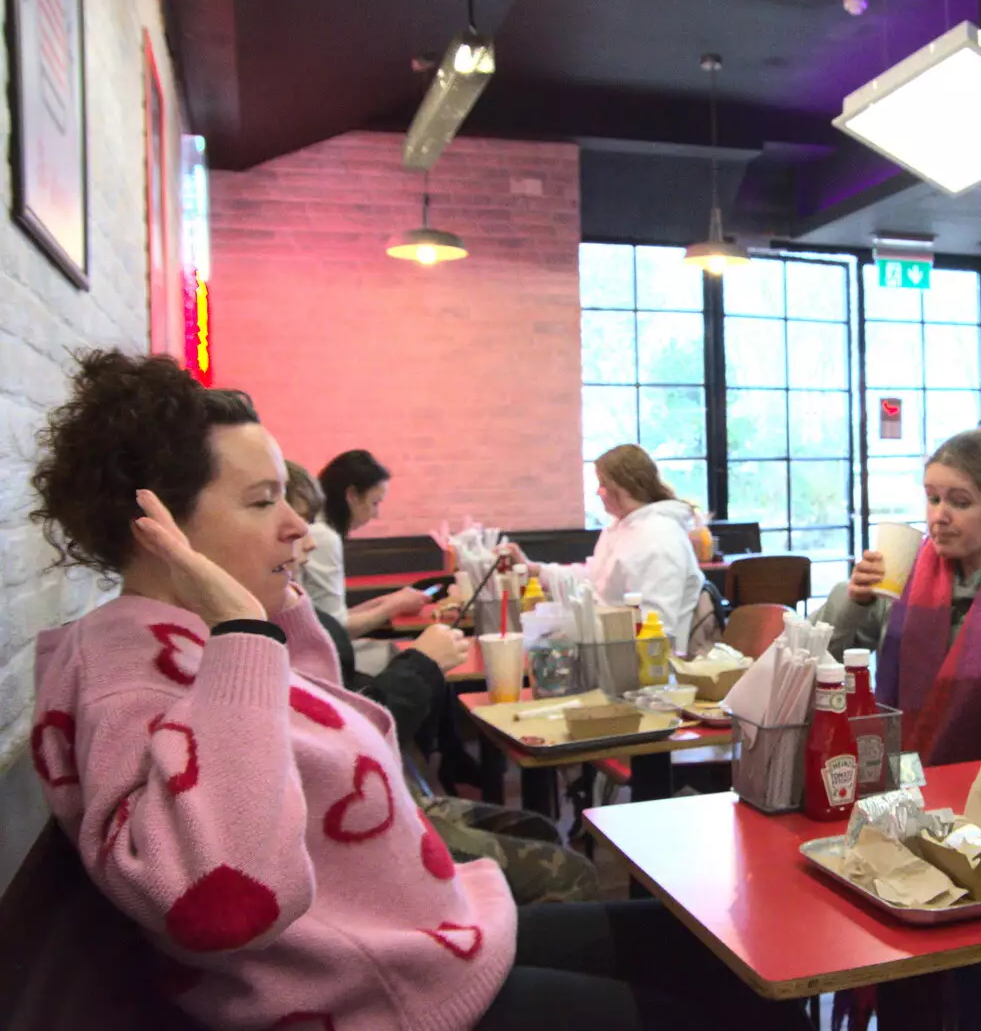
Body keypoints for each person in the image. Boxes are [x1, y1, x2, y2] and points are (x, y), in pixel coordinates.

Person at [27, 350, 811, 1031]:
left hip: (420, 945)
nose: (299, 526)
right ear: (155, 526)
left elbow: (317, 718)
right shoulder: (125, 670)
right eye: (263, 502)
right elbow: (225, 901)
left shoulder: (188, 635)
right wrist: (243, 631)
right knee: (725, 1002)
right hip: (364, 1000)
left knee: (723, 951)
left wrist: (265, 612)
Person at [283, 461, 600, 906]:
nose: (307, 539)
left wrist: (401, 620)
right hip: (354, 811)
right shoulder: (264, 627)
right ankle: (454, 765)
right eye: (265, 506)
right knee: (566, 869)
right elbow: (353, 733)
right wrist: (420, 660)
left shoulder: (283, 611)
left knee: (538, 827)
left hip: (367, 789)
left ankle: (453, 763)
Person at [816, 426, 981, 777]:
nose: (939, 516)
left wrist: (951, 797)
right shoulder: (906, 575)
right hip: (905, 785)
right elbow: (816, 665)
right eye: (933, 498)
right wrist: (854, 600)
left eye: (959, 502)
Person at [533, 445, 704, 653]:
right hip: (612, 652)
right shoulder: (622, 527)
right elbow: (593, 580)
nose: (598, 492)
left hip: (649, 666)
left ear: (622, 488)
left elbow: (657, 627)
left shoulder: (659, 537)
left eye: (602, 484)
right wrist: (538, 571)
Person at [300, 449, 428, 637]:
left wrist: (389, 601)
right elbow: (338, 628)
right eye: (375, 502)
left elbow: (331, 616)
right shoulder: (323, 536)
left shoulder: (320, 528)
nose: (376, 514)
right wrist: (395, 605)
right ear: (351, 495)